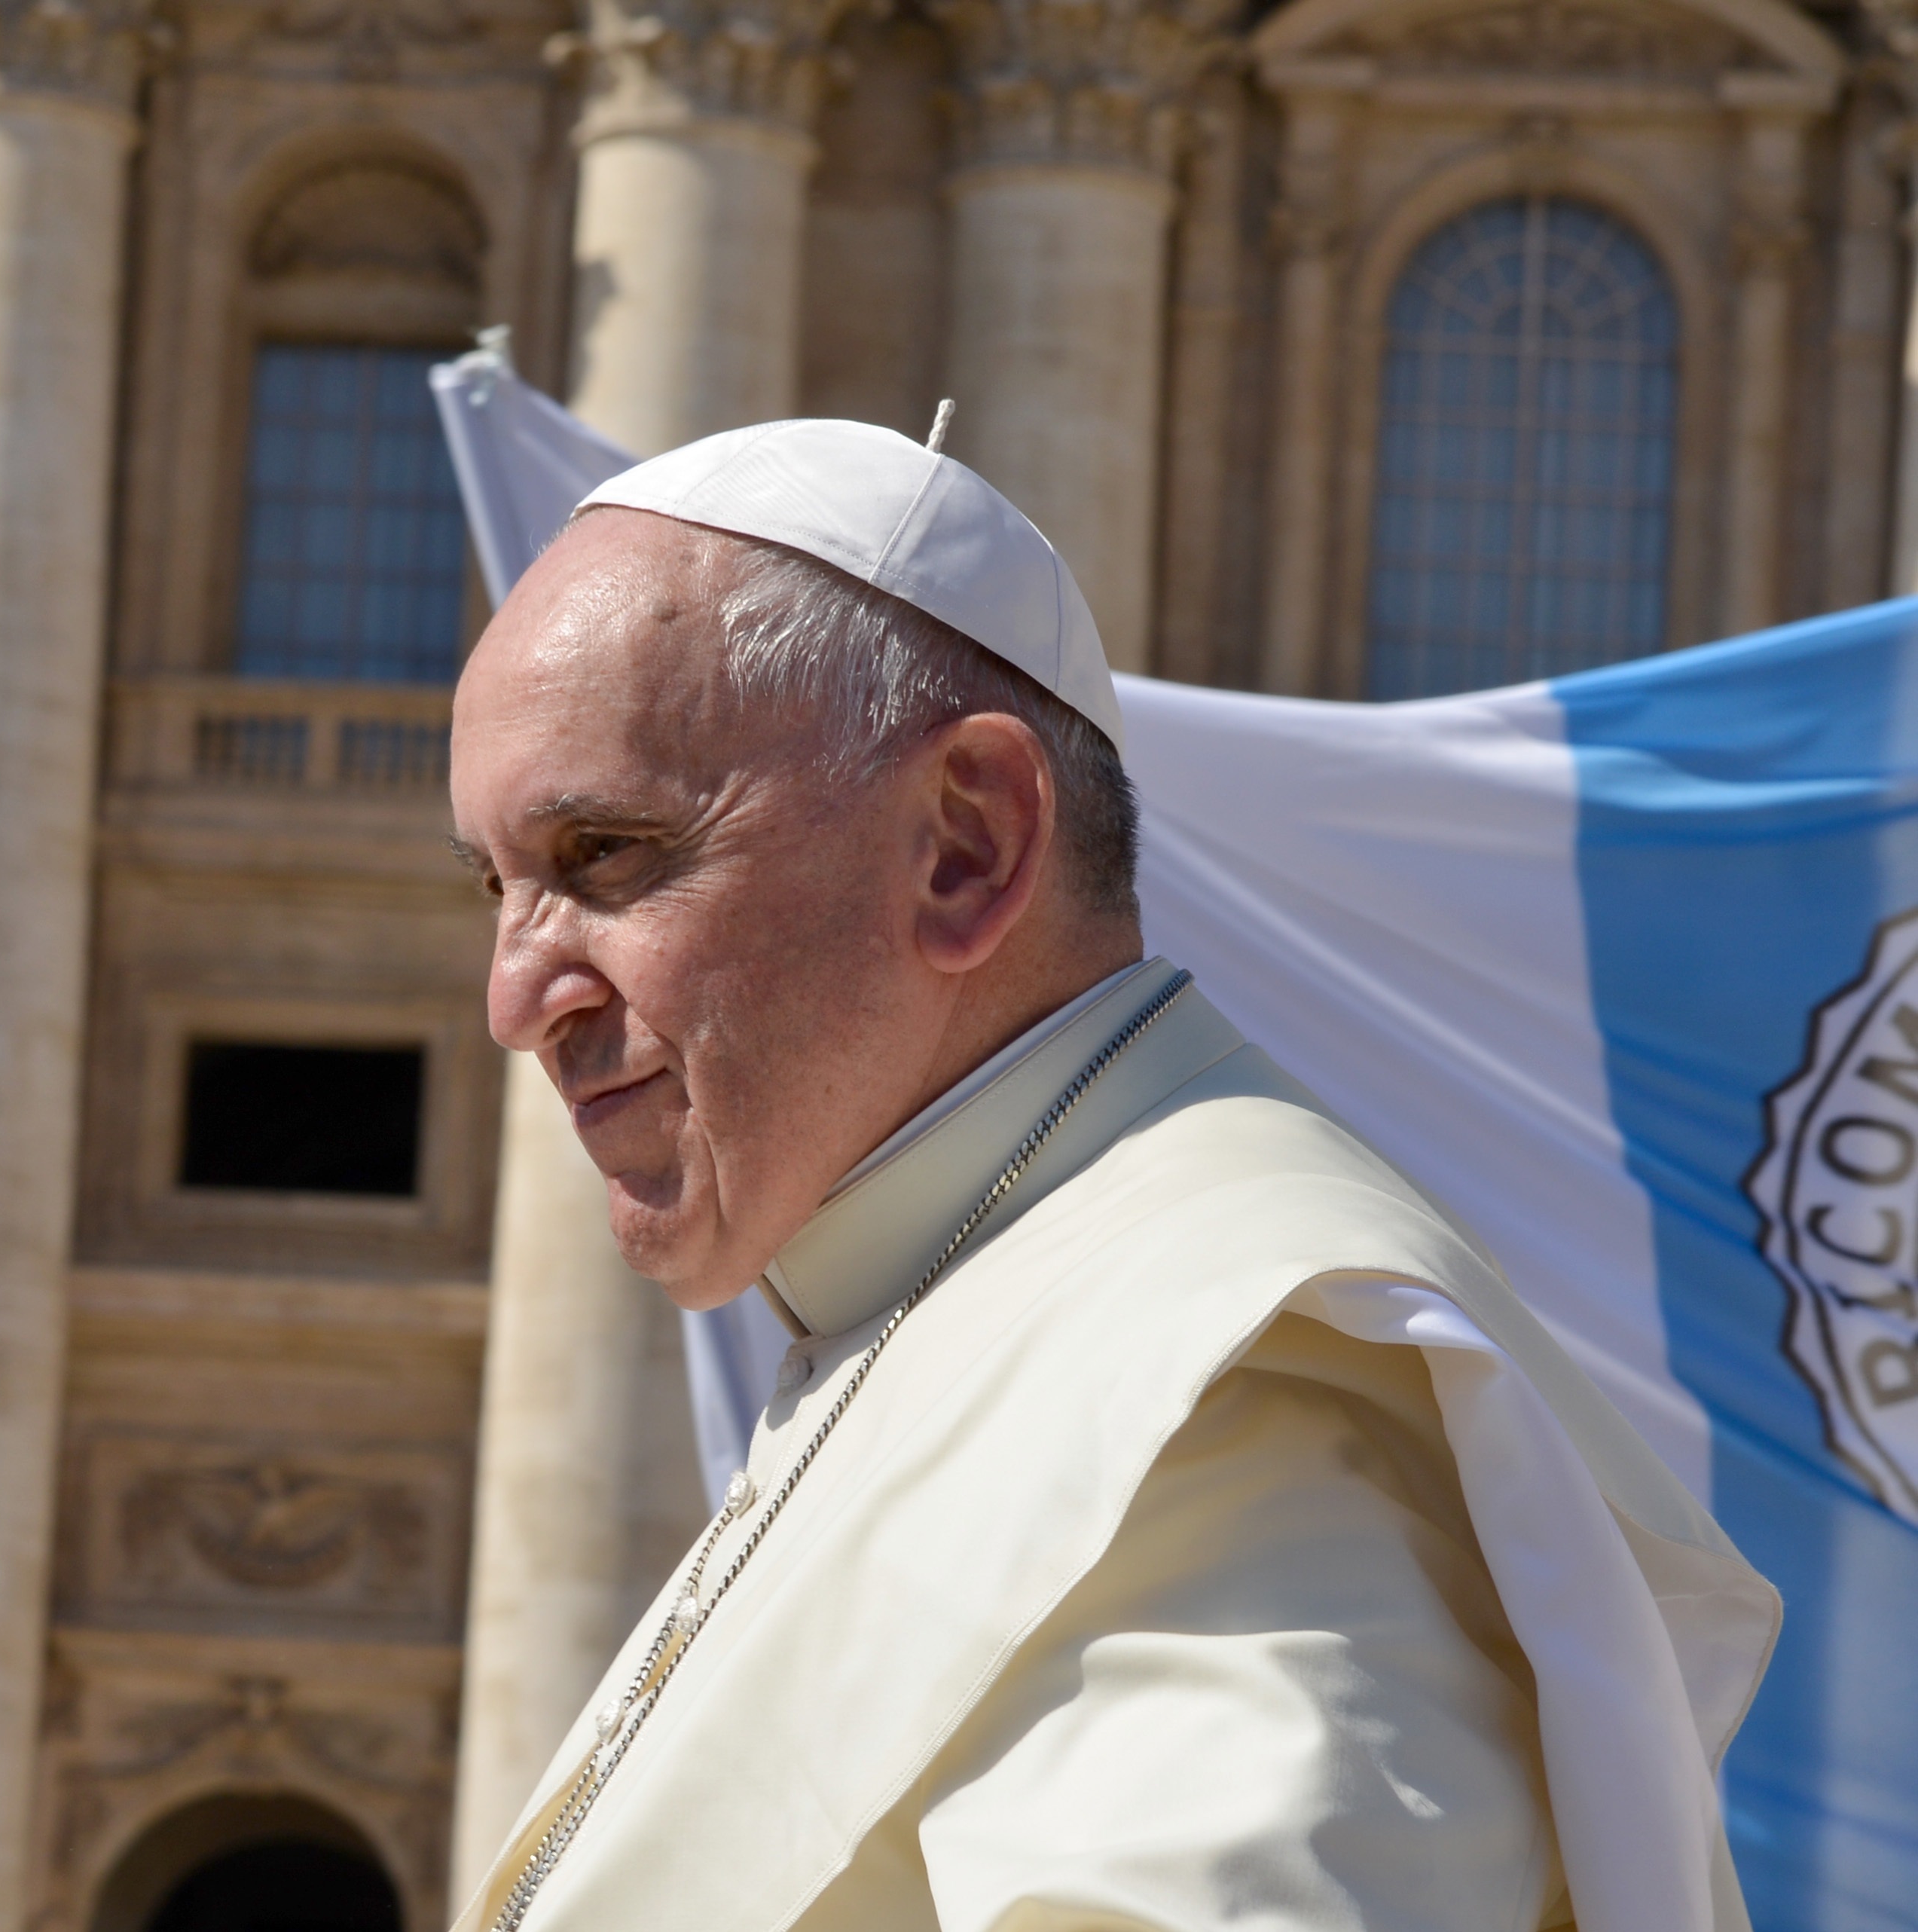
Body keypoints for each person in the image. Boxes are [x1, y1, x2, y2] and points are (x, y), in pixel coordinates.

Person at [444, 418, 1779, 1932]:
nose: (512, 1000)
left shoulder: (1240, 1384)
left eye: (605, 854)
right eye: (494, 886)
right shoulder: (950, 1287)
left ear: (963, 844)